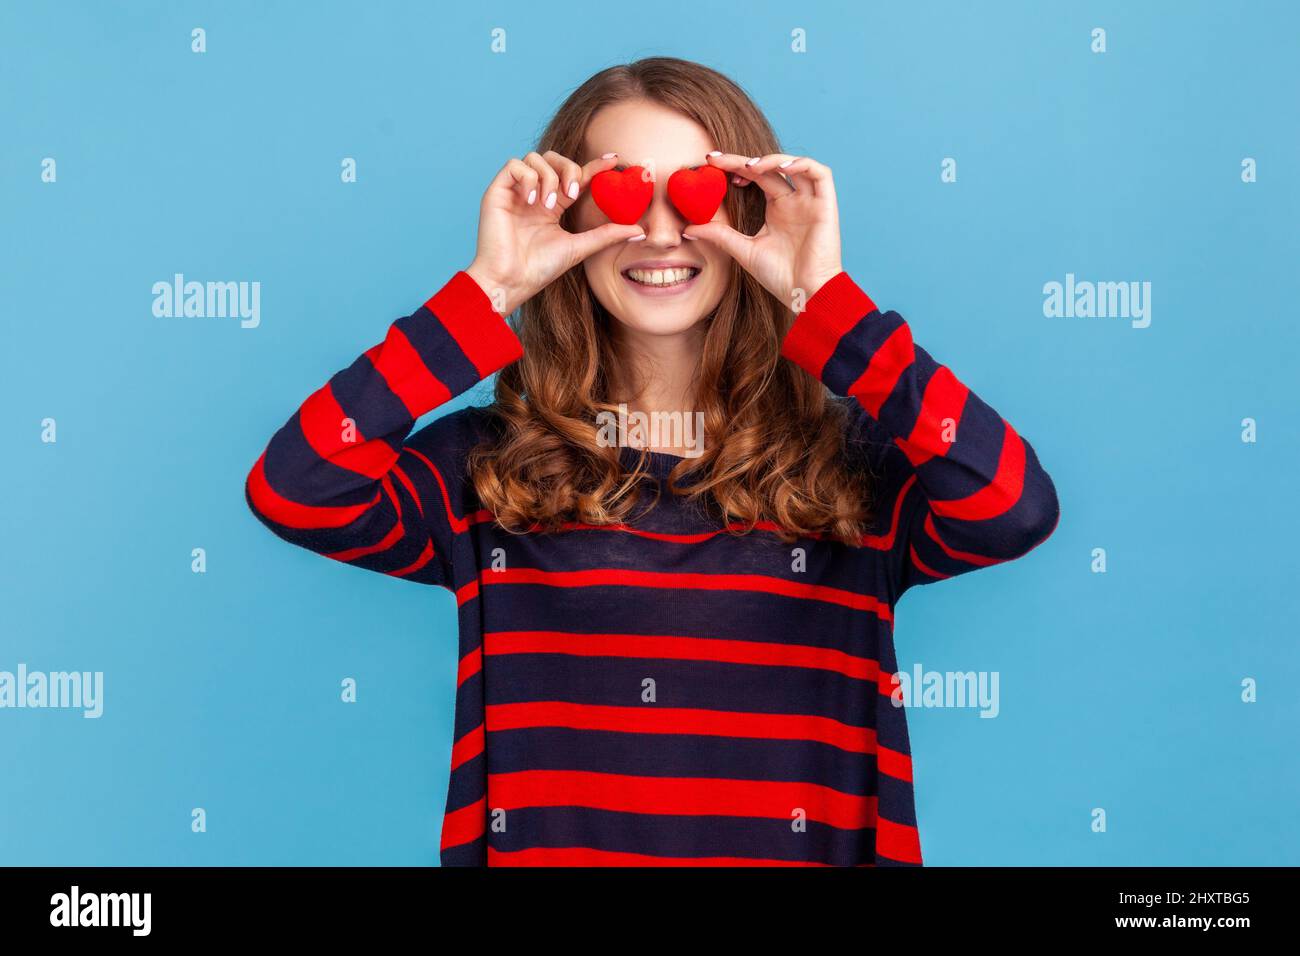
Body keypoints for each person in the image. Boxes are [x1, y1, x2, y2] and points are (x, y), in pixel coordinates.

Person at [245, 57, 1060, 866]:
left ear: (748, 209)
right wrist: (488, 290)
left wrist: (824, 298)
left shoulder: (852, 468)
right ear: (570, 217)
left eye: (697, 193)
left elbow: (1016, 507)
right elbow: (296, 487)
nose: (662, 232)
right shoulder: (486, 468)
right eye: (626, 194)